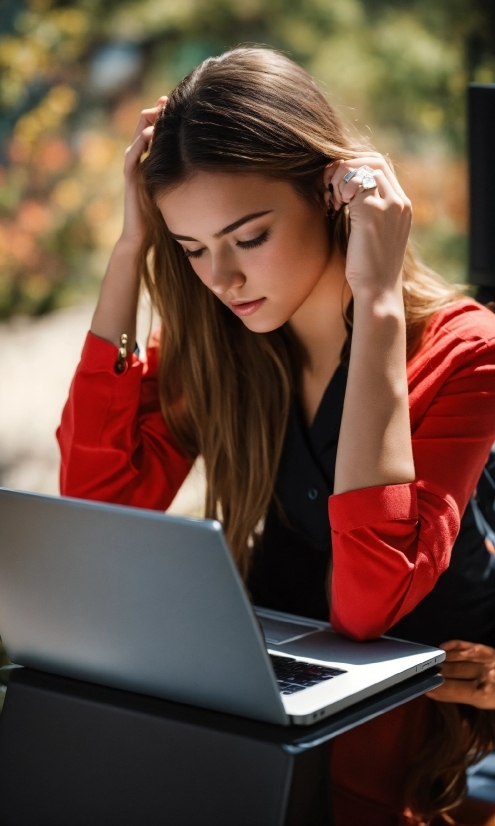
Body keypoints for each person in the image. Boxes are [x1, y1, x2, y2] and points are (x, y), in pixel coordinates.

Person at [57, 47, 495, 824]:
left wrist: (379, 302)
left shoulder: (466, 352)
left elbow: (367, 604)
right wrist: (131, 251)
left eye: (247, 237)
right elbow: (100, 504)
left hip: (428, 748)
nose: (220, 279)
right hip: (279, 717)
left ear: (330, 198)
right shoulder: (228, 343)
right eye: (191, 249)